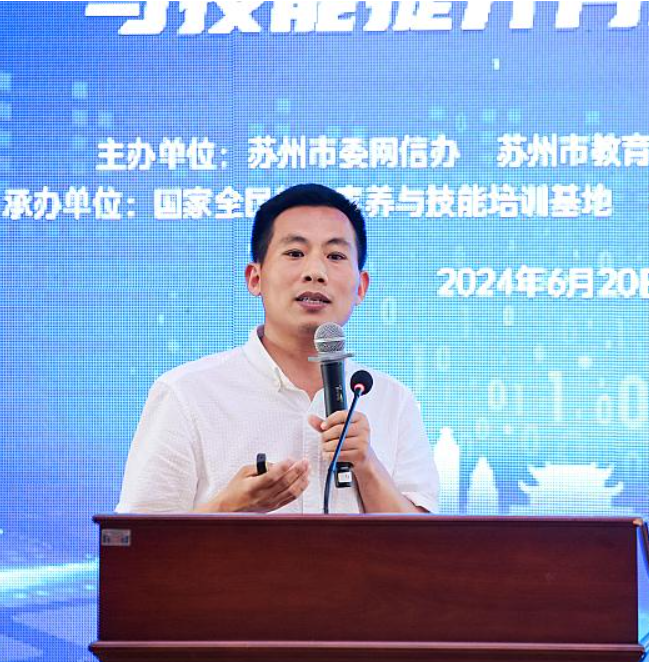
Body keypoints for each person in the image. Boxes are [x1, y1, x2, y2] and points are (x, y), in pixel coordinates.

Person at [116, 184, 439, 514]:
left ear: (361, 287)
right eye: (295, 253)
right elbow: (140, 540)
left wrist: (368, 465)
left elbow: (426, 543)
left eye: (336, 256)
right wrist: (230, 508)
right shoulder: (187, 393)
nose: (315, 273)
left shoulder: (393, 401)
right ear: (255, 278)